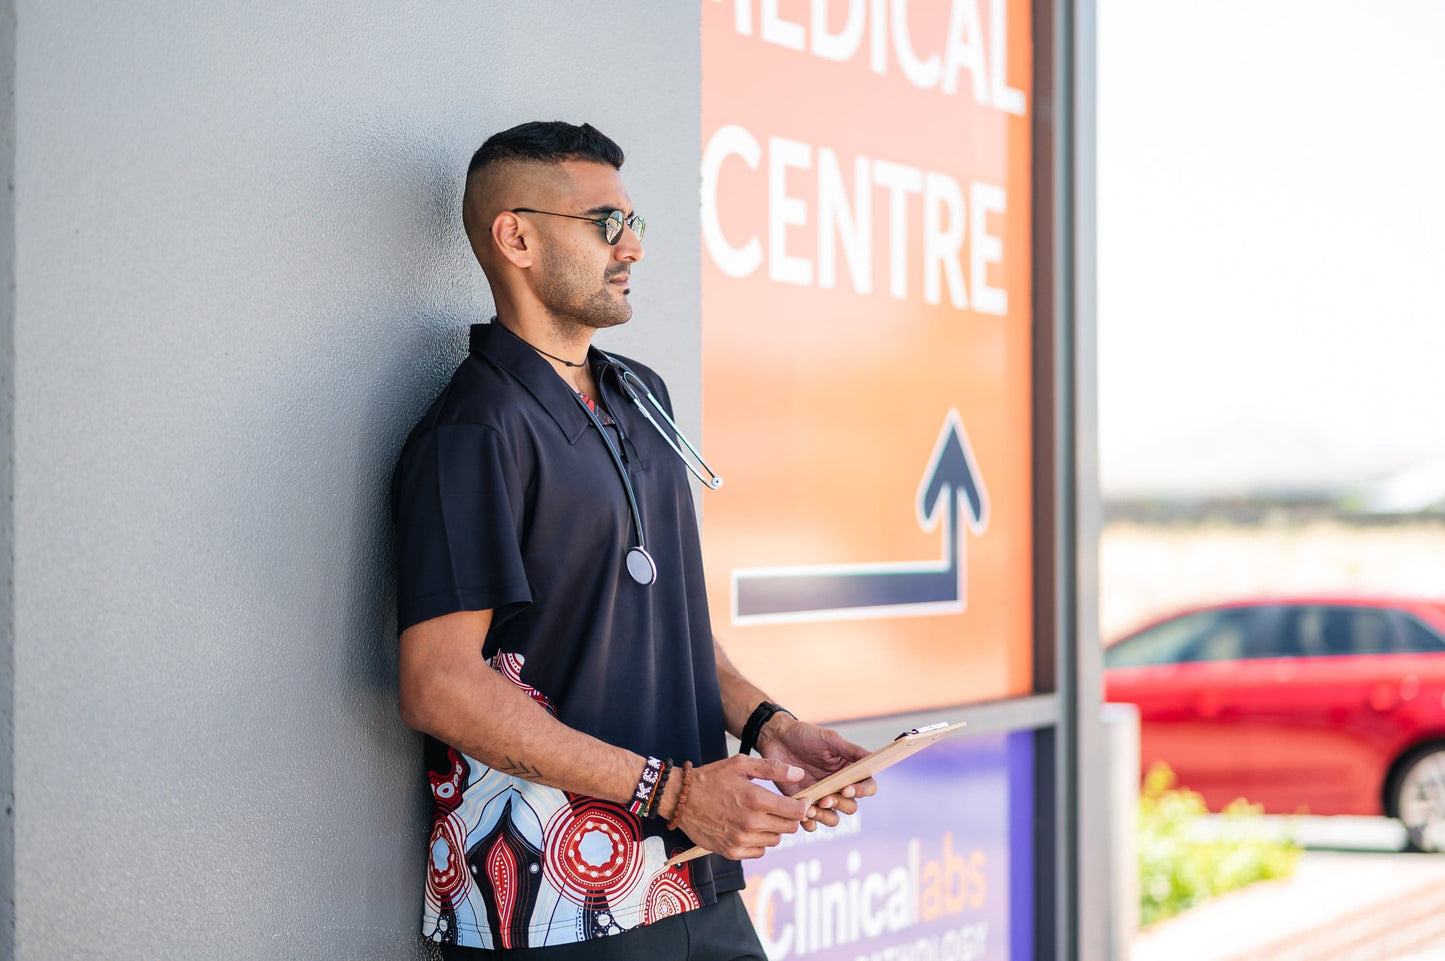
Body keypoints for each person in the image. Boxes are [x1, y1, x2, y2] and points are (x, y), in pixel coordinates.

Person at [391, 120, 876, 959]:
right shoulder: (473, 430)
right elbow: (439, 684)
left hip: (689, 874)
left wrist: (767, 723)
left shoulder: (639, 395)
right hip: (550, 910)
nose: (633, 247)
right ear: (517, 237)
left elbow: (663, 617)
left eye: (634, 222)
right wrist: (675, 789)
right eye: (604, 224)